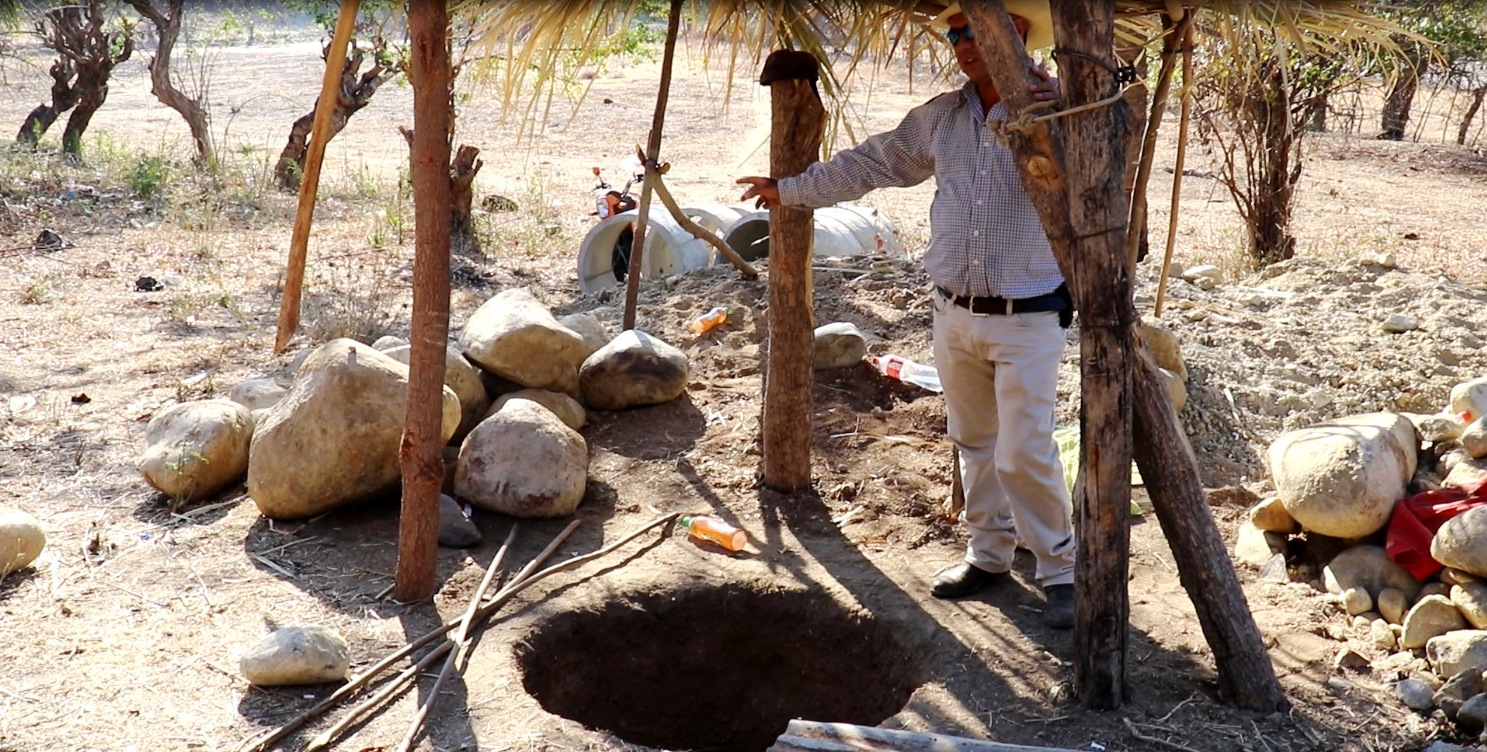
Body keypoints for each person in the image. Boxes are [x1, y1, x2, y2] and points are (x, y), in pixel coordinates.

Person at [736, 0, 1076, 628]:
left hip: (1028, 313)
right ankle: (990, 555)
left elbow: (1101, 180)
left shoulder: (1055, 111)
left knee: (1024, 450)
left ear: (1018, 32)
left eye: (975, 31)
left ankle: (1060, 571)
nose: (964, 44)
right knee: (974, 441)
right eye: (956, 35)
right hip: (954, 309)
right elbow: (876, 162)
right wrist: (792, 189)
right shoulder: (945, 117)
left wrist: (1056, 109)